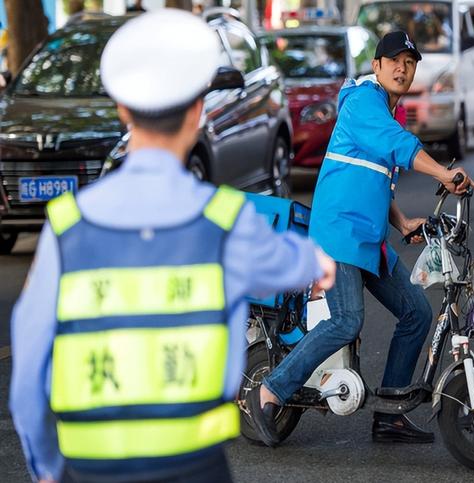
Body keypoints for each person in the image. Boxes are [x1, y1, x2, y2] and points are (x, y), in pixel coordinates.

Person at [9, 9, 335, 483]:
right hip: (193, 466)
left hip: (91, 467)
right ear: (197, 112)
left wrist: (45, 468)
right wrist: (317, 261)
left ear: (122, 110)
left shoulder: (65, 229)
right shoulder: (226, 221)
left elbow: (27, 383)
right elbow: (294, 264)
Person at [248, 31, 474, 447]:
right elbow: (395, 146)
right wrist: (445, 172)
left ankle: (390, 415)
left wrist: (403, 221)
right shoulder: (362, 103)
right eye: (394, 61)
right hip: (338, 232)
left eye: (410, 63)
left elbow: (378, 176)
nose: (402, 69)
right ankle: (268, 393)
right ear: (376, 66)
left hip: (369, 237)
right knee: (346, 319)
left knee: (417, 314)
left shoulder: (392, 111)